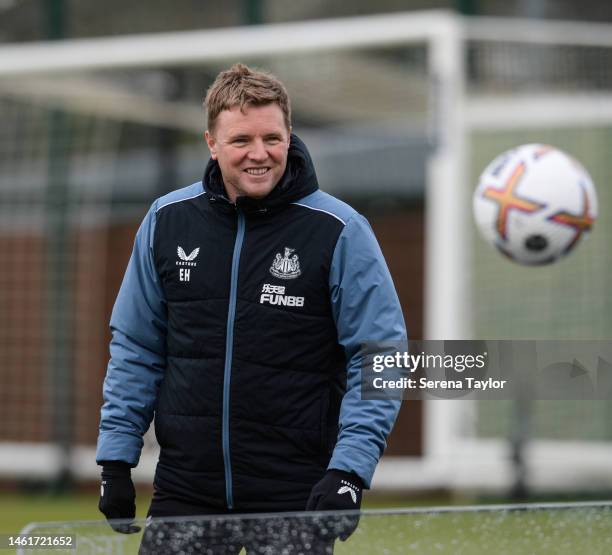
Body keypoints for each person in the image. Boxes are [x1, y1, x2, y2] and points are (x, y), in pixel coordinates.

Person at [96, 63, 406, 554]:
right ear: (211, 143)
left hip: (295, 493)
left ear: (289, 136)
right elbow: (136, 346)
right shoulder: (166, 220)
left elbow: (381, 355)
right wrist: (116, 460)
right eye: (241, 140)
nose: (259, 154)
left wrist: (349, 470)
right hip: (186, 489)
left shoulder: (340, 230)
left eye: (272, 138)